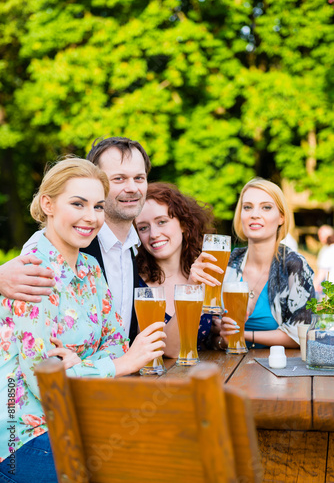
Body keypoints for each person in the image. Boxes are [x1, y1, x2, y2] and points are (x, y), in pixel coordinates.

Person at [0, 158, 166, 482]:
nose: (90, 218)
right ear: (47, 204)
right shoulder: (31, 272)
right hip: (25, 432)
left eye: (99, 207)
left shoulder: (89, 267)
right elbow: (42, 381)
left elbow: (116, 342)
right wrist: (117, 365)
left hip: (82, 414)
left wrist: (79, 362)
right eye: (78, 204)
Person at [18, 137, 150, 344]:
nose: (132, 188)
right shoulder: (51, 245)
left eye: (139, 178)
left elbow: (117, 342)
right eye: (119, 179)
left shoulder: (139, 244)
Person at [191, 177, 315, 349]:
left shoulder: (294, 266)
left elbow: (302, 333)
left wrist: (240, 333)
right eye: (247, 207)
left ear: (281, 218)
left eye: (266, 207)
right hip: (227, 368)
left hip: (276, 370)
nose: (254, 214)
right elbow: (209, 333)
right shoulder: (228, 261)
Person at [135, 182, 216, 355]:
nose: (154, 234)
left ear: (184, 224)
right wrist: (190, 289)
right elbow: (169, 351)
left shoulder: (203, 273)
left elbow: (210, 339)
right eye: (143, 228)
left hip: (204, 375)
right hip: (158, 380)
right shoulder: (135, 283)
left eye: (162, 222)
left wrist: (221, 337)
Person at [313, 224, 334, 294]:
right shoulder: (325, 248)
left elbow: (322, 272)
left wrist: (314, 286)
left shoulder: (329, 250)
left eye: (322, 234)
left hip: (329, 287)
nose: (320, 237)